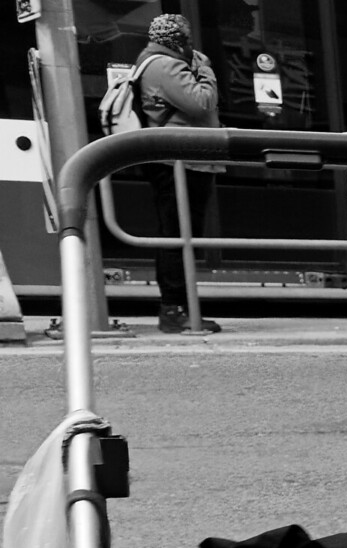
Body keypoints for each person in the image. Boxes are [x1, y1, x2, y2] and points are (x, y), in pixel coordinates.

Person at [134, 13, 222, 334]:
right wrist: (206, 69)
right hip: (178, 163)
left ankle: (180, 308)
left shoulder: (158, 62)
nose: (191, 45)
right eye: (186, 39)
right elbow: (202, 102)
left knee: (181, 236)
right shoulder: (165, 66)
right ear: (179, 41)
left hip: (181, 161)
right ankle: (173, 309)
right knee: (177, 236)